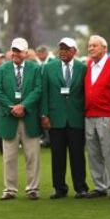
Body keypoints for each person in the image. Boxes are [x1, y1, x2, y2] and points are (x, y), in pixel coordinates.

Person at [0, 38, 42, 200]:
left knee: (32, 156)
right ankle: (10, 189)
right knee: (9, 157)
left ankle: (33, 188)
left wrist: (23, 106)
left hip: (29, 118)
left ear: (26, 53)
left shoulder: (35, 69)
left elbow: (38, 90)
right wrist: (12, 107)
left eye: (19, 50)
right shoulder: (2, 69)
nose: (15, 53)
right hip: (9, 118)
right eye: (13, 50)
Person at [41, 37, 89, 199]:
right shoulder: (48, 68)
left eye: (67, 49)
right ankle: (59, 188)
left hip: (76, 118)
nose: (63, 52)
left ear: (75, 51)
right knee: (57, 156)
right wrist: (44, 115)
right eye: (61, 49)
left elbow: (86, 93)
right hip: (56, 119)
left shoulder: (83, 68)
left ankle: (81, 188)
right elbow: (44, 93)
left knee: (77, 155)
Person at [84, 35, 110, 200]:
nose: (91, 48)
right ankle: (99, 186)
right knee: (93, 154)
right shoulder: (88, 65)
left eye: (94, 45)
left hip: (108, 116)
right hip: (89, 116)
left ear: (104, 48)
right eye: (89, 46)